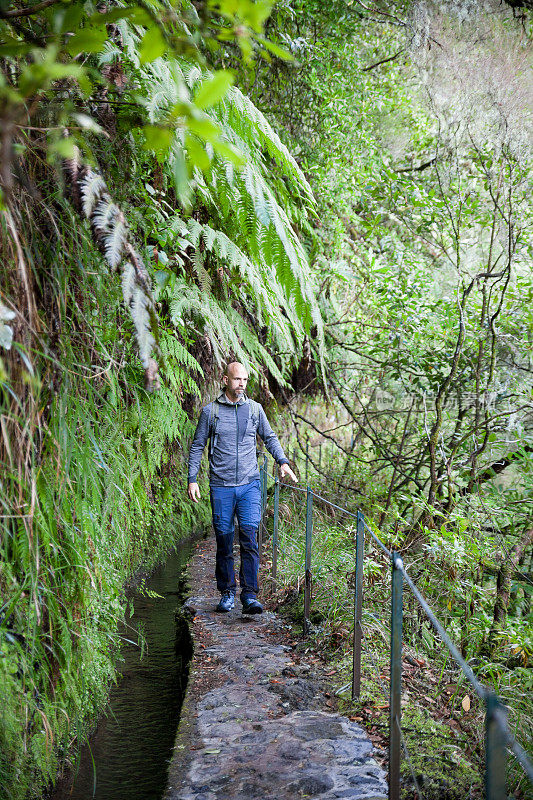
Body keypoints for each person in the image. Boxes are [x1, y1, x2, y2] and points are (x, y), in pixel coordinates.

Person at [188, 362, 297, 614]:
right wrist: (192, 479)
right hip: (221, 486)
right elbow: (197, 446)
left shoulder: (255, 410)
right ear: (225, 380)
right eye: (237, 379)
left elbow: (269, 437)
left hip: (249, 485)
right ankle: (227, 592)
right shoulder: (210, 411)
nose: (242, 384)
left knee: (249, 539)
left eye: (245, 380)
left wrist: (282, 461)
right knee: (225, 542)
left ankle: (249, 596)